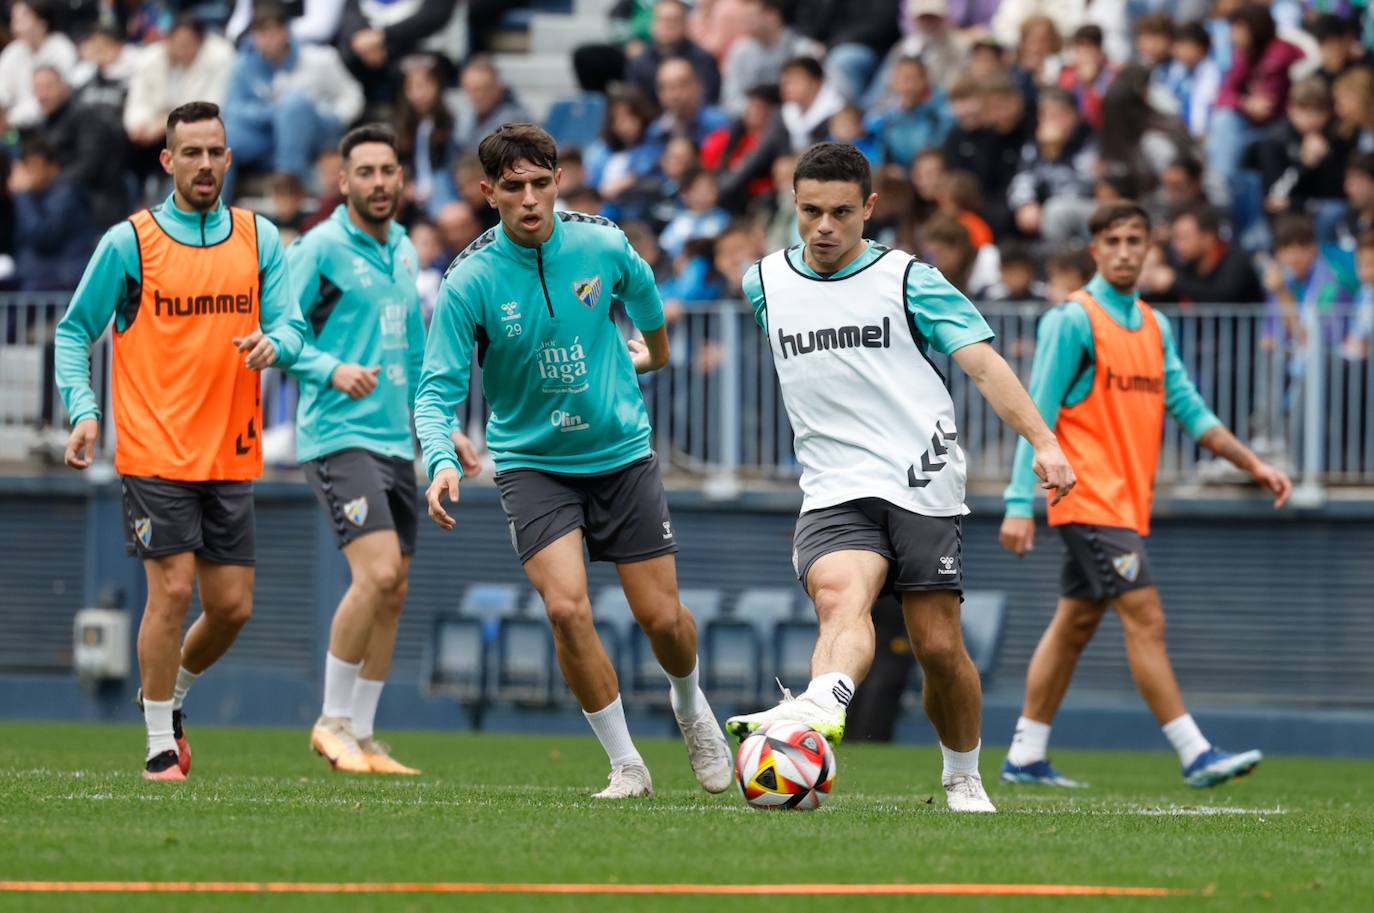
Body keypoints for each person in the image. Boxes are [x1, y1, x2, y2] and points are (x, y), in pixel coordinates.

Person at [727, 142, 1076, 813]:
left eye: (839, 212)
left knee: (939, 648)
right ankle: (821, 707)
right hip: (832, 484)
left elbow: (982, 366)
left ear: (869, 208)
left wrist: (1043, 440)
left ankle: (962, 773)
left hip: (922, 478)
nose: (823, 226)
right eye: (809, 212)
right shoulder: (763, 282)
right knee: (840, 599)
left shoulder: (909, 278)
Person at [413, 123, 733, 800]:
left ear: (557, 181)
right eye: (513, 187)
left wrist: (659, 354)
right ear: (487, 192)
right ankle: (627, 764)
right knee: (566, 609)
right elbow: (437, 387)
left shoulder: (603, 243)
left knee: (664, 619)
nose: (530, 199)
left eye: (540, 183)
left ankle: (688, 702)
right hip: (533, 464)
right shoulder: (468, 279)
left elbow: (648, 302)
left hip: (620, 453)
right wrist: (441, 456)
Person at [999, 200, 1293, 790]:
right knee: (1146, 616)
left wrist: (1252, 462)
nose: (1127, 251)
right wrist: (1015, 502)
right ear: (1097, 250)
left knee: (1075, 625)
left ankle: (1025, 754)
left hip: (1125, 503)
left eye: (1138, 240)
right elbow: (1036, 414)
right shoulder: (1072, 319)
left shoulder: (1156, 326)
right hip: (1086, 500)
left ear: (1150, 248)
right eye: (1115, 241)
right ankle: (1195, 752)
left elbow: (1188, 407)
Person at [53, 101, 305, 781]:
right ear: (167, 160)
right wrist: (83, 408)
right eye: (190, 152)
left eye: (214, 152)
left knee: (230, 607)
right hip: (153, 448)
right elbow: (75, 331)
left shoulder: (260, 238)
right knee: (171, 589)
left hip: (230, 450)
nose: (203, 164)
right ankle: (159, 741)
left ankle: (168, 691)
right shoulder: (130, 242)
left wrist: (275, 341)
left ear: (228, 158)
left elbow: (293, 325)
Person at [285, 124, 460, 776]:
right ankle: (330, 722)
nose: (381, 182)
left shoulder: (406, 252)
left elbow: (414, 353)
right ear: (344, 180)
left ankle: (362, 731)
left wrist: (442, 426)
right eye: (367, 172)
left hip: (393, 439)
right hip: (337, 435)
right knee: (378, 571)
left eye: (390, 170)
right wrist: (330, 368)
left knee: (395, 588)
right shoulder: (320, 248)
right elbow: (277, 332)